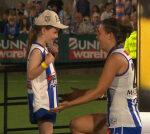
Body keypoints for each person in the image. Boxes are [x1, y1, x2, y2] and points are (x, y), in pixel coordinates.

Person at [50, 18, 142, 134]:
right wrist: (80, 93)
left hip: (125, 125)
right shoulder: (119, 54)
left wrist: (68, 105)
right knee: (77, 125)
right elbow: (104, 89)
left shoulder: (116, 58)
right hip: (120, 120)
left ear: (110, 35)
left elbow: (99, 92)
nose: (96, 37)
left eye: (99, 33)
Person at [27, 9, 68, 134]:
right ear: (44, 30)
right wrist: (46, 63)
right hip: (43, 100)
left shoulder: (42, 49)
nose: (56, 36)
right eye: (55, 32)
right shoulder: (37, 51)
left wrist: (52, 58)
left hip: (47, 98)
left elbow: (45, 72)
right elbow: (31, 74)